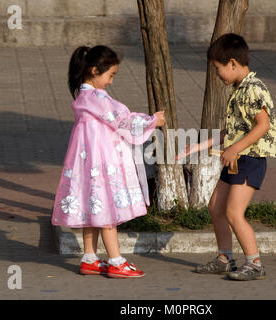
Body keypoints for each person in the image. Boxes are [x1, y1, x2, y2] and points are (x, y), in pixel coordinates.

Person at [52, 45, 165, 278]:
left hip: (87, 162)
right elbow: (122, 119)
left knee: (93, 207)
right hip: (101, 162)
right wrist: (153, 120)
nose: (111, 81)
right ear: (94, 70)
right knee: (108, 211)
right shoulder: (97, 98)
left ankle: (90, 258)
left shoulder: (84, 97)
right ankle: (115, 261)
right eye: (110, 75)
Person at [176, 34, 276, 280]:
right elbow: (232, 131)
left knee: (233, 213)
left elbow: (262, 125)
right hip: (235, 159)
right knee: (216, 208)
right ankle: (224, 259)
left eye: (218, 68)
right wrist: (201, 145)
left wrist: (234, 149)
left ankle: (254, 264)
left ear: (232, 63)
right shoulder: (239, 89)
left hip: (249, 159)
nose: (217, 73)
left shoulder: (254, 88)